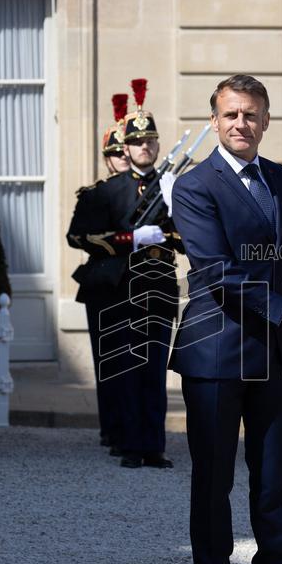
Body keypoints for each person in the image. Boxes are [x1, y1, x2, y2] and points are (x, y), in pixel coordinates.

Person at [170, 74, 282, 564]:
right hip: (216, 351)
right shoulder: (193, 187)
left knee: (274, 480)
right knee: (214, 479)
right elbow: (215, 270)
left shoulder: (280, 178)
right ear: (215, 120)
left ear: (266, 120)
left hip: (275, 353)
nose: (242, 124)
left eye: (252, 114)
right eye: (232, 114)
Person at [67, 79, 178, 469]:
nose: (144, 147)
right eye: (137, 143)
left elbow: (190, 238)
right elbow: (78, 237)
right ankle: (131, 445)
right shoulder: (106, 192)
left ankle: (154, 445)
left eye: (150, 141)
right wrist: (129, 238)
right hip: (119, 290)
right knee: (127, 369)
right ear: (125, 148)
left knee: (154, 371)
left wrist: (175, 203)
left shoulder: (173, 189)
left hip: (160, 289)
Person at [67, 93, 132, 455]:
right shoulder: (95, 195)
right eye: (117, 153)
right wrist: (122, 241)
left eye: (127, 152)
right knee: (109, 360)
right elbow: (77, 236)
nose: (123, 157)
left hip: (141, 285)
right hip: (105, 285)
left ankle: (135, 427)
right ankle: (113, 427)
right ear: (107, 159)